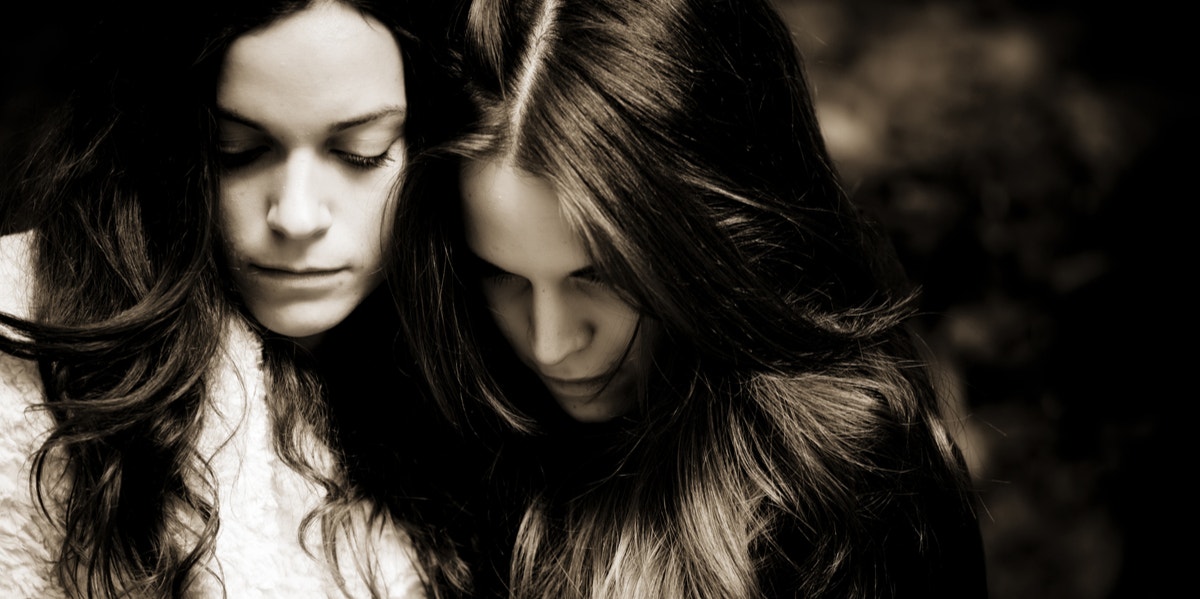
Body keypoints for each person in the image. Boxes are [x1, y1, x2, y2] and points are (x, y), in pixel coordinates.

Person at [393, 0, 989, 596]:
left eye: (599, 276)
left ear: (707, 248)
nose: (550, 344)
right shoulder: (438, 422)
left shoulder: (848, 494)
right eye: (502, 276)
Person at [0, 1, 470, 597]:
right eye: (237, 151)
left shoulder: (488, 370)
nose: (296, 216)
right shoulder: (34, 359)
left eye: (361, 153)